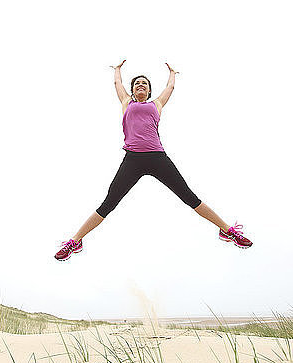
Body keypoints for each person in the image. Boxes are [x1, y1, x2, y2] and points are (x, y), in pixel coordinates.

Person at [55, 60, 252, 261]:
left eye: (145, 84)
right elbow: (118, 85)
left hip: (157, 157)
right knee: (109, 202)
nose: (141, 85)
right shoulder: (126, 103)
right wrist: (117, 71)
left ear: (149, 91)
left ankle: (227, 231)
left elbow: (170, 87)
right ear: (132, 90)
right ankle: (75, 241)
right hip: (133, 159)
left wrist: (173, 73)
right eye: (137, 83)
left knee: (189, 197)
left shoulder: (156, 104)